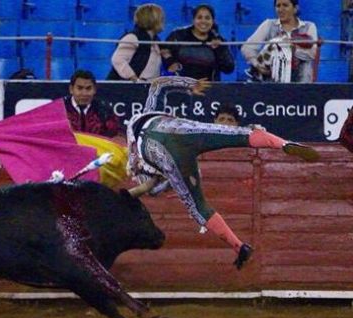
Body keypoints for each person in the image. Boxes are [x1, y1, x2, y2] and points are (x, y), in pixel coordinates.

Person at [126, 76, 319, 269]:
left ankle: (239, 246)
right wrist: (191, 84)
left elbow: (151, 190)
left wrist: (166, 180)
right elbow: (158, 84)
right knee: (241, 134)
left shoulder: (136, 163)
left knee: (198, 207)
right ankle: (285, 143)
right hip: (175, 129)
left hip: (160, 156)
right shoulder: (149, 112)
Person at [241, 0, 318, 83]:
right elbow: (247, 48)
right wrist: (257, 64)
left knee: (280, 45)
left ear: (295, 8)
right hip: (272, 82)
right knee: (274, 44)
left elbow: (312, 53)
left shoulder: (309, 26)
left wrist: (290, 48)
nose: (280, 9)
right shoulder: (268, 24)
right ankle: (256, 73)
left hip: (301, 80)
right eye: (278, 6)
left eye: (285, 5)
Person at [161, 4, 235, 81]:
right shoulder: (177, 35)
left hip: (209, 88)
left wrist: (219, 49)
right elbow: (164, 50)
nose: (203, 21)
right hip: (181, 87)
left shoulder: (219, 41)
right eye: (199, 17)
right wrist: (170, 62)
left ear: (213, 21)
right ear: (193, 20)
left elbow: (229, 68)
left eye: (207, 18)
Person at [107, 3, 164, 81]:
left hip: (146, 87)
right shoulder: (133, 37)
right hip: (129, 88)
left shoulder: (155, 41)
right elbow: (118, 59)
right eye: (162, 18)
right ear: (154, 19)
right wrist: (133, 78)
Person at [65, 69, 122, 137]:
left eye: (88, 88)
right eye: (79, 88)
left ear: (94, 89)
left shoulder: (104, 111)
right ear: (71, 89)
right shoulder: (60, 109)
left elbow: (115, 135)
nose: (84, 93)